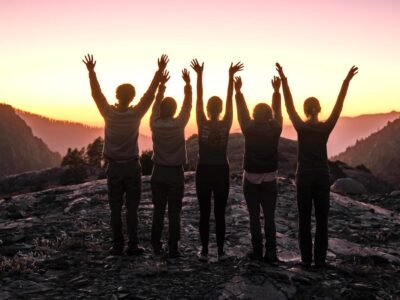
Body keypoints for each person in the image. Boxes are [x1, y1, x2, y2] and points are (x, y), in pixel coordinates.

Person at [82, 54, 169, 256]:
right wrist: (159, 73)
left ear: (117, 95)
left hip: (114, 167)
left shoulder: (108, 113)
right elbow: (149, 95)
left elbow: (97, 94)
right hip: (131, 166)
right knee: (131, 209)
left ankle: (117, 246)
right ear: (131, 97)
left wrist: (91, 71)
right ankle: (132, 245)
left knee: (115, 208)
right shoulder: (136, 113)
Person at [275, 63, 358, 268]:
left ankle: (306, 260)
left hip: (303, 176)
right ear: (319, 110)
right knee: (322, 221)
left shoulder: (300, 126)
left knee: (304, 220)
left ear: (304, 110)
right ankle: (320, 261)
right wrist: (346, 81)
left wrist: (284, 81)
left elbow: (288, 105)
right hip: (321, 176)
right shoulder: (326, 127)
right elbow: (339, 105)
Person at [191, 59, 243, 262]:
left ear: (207, 108)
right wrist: (230, 78)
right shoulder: (227, 121)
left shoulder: (201, 121)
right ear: (221, 109)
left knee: (204, 212)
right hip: (221, 170)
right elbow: (230, 99)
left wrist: (199, 76)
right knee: (220, 212)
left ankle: (204, 251)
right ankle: (220, 252)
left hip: (203, 169)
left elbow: (198, 99)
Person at [234, 75, 283, 263]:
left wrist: (238, 92)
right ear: (268, 115)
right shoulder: (276, 128)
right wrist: (277, 92)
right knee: (269, 217)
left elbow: (241, 112)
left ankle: (256, 251)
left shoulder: (248, 128)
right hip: (270, 178)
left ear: (254, 115)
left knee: (254, 217)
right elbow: (278, 112)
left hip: (251, 178)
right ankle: (271, 253)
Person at [150, 68, 192, 258]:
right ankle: (173, 247)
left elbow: (155, 105)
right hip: (175, 173)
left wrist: (161, 86)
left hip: (158, 171)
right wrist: (188, 85)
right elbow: (188, 106)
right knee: (174, 212)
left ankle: (156, 244)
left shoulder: (155, 123)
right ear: (174, 111)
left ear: (160, 110)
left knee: (158, 210)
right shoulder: (180, 123)